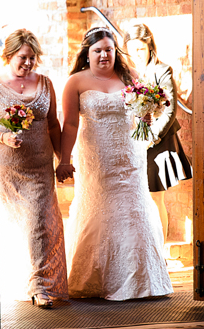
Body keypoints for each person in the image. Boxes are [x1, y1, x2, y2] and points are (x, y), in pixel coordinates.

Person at [56, 27, 174, 301]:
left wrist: (147, 114)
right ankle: (96, 278)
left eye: (109, 49)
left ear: (115, 52)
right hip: (96, 158)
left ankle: (139, 279)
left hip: (128, 156)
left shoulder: (130, 76)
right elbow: (70, 123)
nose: (104, 55)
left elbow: (143, 113)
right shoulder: (75, 82)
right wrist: (64, 159)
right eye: (98, 50)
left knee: (133, 210)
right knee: (99, 211)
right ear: (88, 53)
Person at [0, 29, 68, 309]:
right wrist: (4, 137)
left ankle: (40, 286)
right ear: (10, 55)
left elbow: (53, 124)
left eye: (32, 58)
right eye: (23, 58)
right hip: (9, 168)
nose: (28, 63)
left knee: (38, 223)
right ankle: (21, 278)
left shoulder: (46, 83)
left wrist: (63, 159)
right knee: (19, 227)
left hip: (40, 167)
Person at [124, 23, 193, 243]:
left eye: (140, 50)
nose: (136, 55)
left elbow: (170, 109)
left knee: (155, 198)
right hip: (133, 142)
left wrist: (150, 137)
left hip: (158, 143)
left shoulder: (162, 70)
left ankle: (160, 252)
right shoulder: (128, 74)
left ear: (150, 47)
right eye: (132, 50)